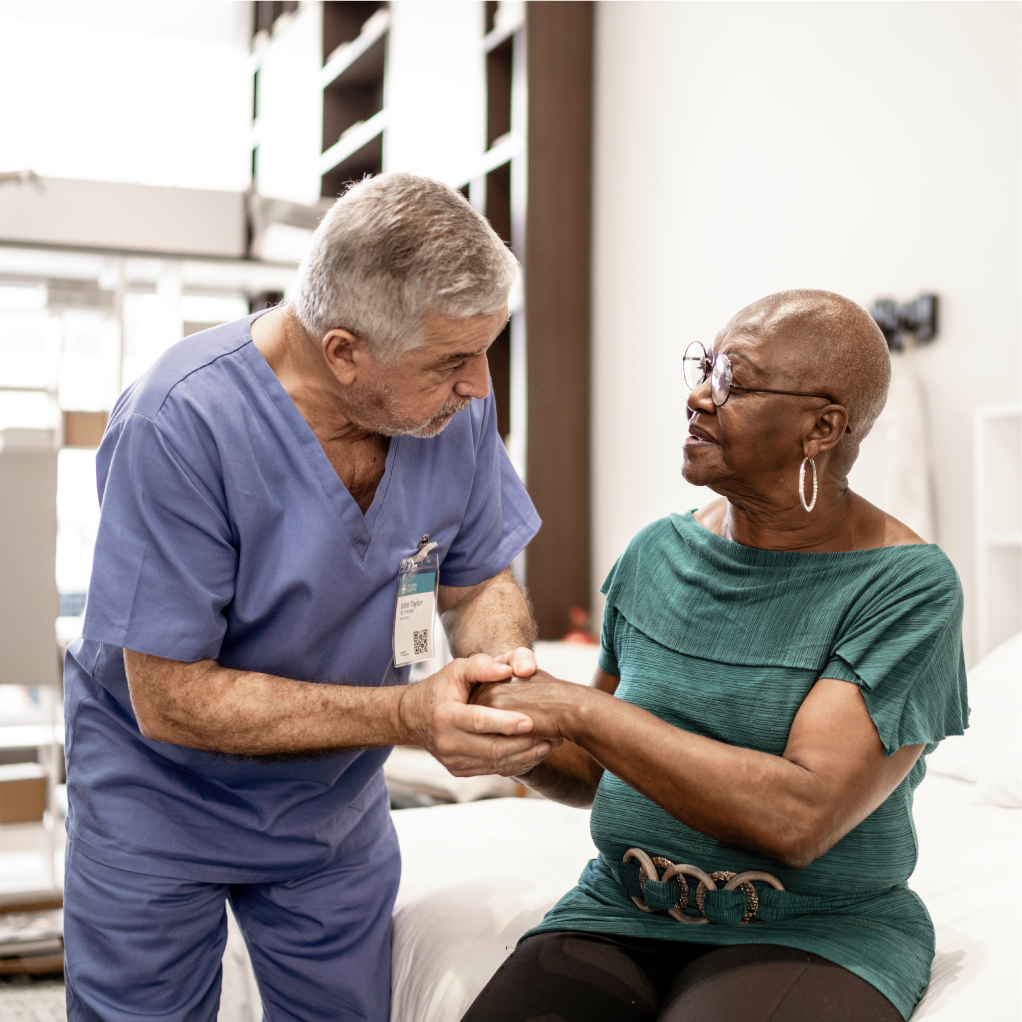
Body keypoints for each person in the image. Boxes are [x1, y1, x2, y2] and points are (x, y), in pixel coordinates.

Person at [62, 173, 553, 1022]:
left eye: (486, 352)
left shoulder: (450, 411)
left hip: (331, 805)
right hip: (160, 796)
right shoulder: (179, 422)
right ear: (343, 350)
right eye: (450, 362)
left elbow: (479, 580)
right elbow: (170, 697)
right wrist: (407, 719)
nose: (479, 385)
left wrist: (501, 673)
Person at [463, 290, 968, 1022]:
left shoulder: (905, 586)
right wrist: (504, 731)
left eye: (733, 379)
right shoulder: (656, 554)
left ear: (821, 428)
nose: (699, 395)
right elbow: (598, 766)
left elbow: (800, 818)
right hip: (621, 906)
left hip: (816, 934)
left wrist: (574, 705)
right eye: (704, 366)